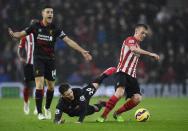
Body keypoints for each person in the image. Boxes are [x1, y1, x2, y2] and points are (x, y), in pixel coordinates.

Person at [8, 5, 92, 120]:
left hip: (51, 60)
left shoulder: (55, 28)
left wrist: (82, 51)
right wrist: (14, 34)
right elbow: (21, 34)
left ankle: (47, 107)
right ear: (43, 14)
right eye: (48, 12)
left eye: (52, 12)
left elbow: (68, 40)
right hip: (38, 59)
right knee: (39, 84)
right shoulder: (35, 26)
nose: (50, 14)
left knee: (51, 87)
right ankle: (39, 113)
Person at [97, 24, 160, 122]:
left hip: (132, 75)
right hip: (122, 71)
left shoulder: (138, 45)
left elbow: (136, 50)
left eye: (145, 34)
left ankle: (117, 113)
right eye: (142, 32)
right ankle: (103, 116)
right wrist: (150, 53)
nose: (144, 35)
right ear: (136, 31)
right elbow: (133, 49)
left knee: (137, 98)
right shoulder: (130, 39)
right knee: (120, 92)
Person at [17, 19, 39, 115]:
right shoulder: (26, 35)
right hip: (29, 64)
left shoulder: (42, 35)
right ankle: (26, 103)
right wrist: (21, 57)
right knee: (27, 85)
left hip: (39, 64)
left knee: (39, 86)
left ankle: (37, 107)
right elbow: (20, 48)